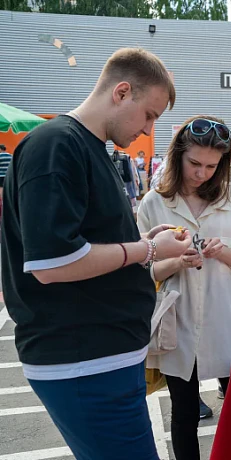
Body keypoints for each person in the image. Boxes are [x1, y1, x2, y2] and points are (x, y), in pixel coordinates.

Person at [0, 48, 191, 460]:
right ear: (122, 92)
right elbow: (52, 263)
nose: (147, 129)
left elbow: (89, 243)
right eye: (149, 114)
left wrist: (143, 243)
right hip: (84, 360)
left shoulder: (84, 146)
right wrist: (147, 248)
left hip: (98, 356)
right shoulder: (55, 146)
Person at [137, 115, 231, 460]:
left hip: (224, 316)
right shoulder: (154, 202)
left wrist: (226, 252)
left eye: (211, 165)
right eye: (194, 163)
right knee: (184, 410)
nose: (201, 173)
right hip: (180, 319)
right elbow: (144, 269)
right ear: (177, 156)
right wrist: (178, 261)